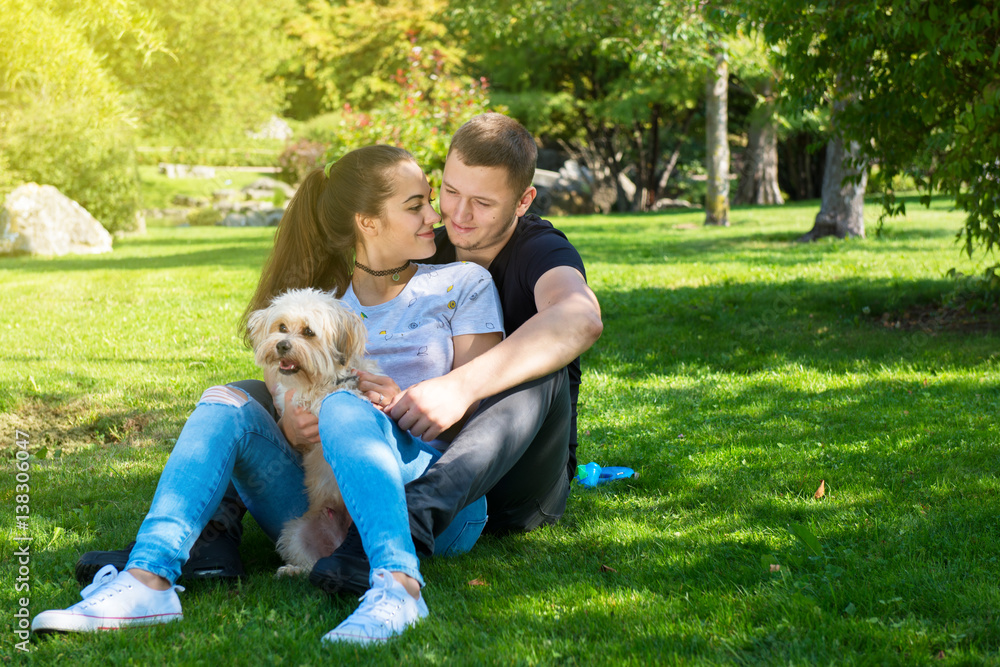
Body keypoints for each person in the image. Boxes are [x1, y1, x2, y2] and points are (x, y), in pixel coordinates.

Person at [76, 112, 604, 598]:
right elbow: (296, 342)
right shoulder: (416, 247)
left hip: (500, 468)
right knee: (240, 397)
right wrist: (287, 412)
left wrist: (454, 387)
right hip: (346, 468)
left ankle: (412, 526)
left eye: (482, 204)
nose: (453, 216)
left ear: (524, 201)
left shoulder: (527, 255)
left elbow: (577, 318)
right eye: (444, 194)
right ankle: (186, 541)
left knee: (533, 364)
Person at [32, 145, 505, 644]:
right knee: (224, 403)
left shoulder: (461, 283)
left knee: (343, 407)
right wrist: (286, 427)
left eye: (429, 200)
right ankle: (149, 578)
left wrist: (408, 400)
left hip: (431, 503)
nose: (436, 215)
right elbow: (285, 397)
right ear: (367, 221)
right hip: (318, 507)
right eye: (416, 205)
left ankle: (397, 586)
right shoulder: (317, 310)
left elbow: (482, 412)